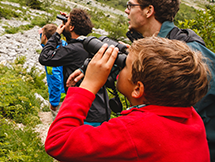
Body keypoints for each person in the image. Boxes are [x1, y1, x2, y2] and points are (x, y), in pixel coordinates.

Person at [45, 37, 210, 162]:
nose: (119, 67)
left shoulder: (136, 129)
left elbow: (58, 141)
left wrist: (88, 84)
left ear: (137, 89)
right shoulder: (190, 117)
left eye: (125, 65)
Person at [125, 0, 215, 160]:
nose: (126, 10)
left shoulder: (189, 57)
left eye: (130, 5)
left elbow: (179, 120)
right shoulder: (166, 49)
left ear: (149, 10)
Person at [39, 8, 110, 125]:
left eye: (67, 22)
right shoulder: (86, 46)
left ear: (72, 27)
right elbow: (71, 43)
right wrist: (68, 25)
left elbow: (45, 57)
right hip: (99, 108)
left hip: (87, 113)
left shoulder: (73, 50)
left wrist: (56, 34)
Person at [40, 24, 67, 119]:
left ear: (45, 36)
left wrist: (54, 102)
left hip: (60, 98)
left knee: (59, 125)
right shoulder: (63, 45)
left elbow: (56, 80)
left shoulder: (50, 58)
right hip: (69, 94)